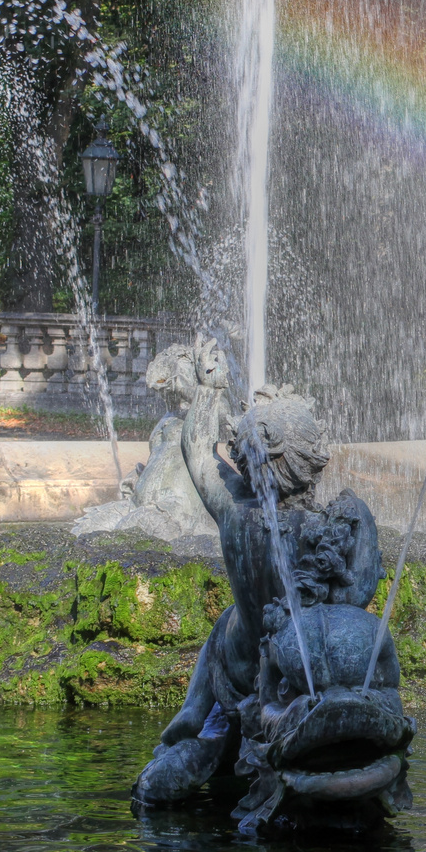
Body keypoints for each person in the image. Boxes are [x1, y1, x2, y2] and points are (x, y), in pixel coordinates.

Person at [133, 337, 382, 806]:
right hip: (301, 678)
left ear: (248, 461)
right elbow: (359, 599)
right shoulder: (339, 527)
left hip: (243, 665)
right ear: (312, 458)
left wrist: (210, 389)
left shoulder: (237, 517)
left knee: (224, 627)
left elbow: (198, 457)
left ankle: (194, 720)